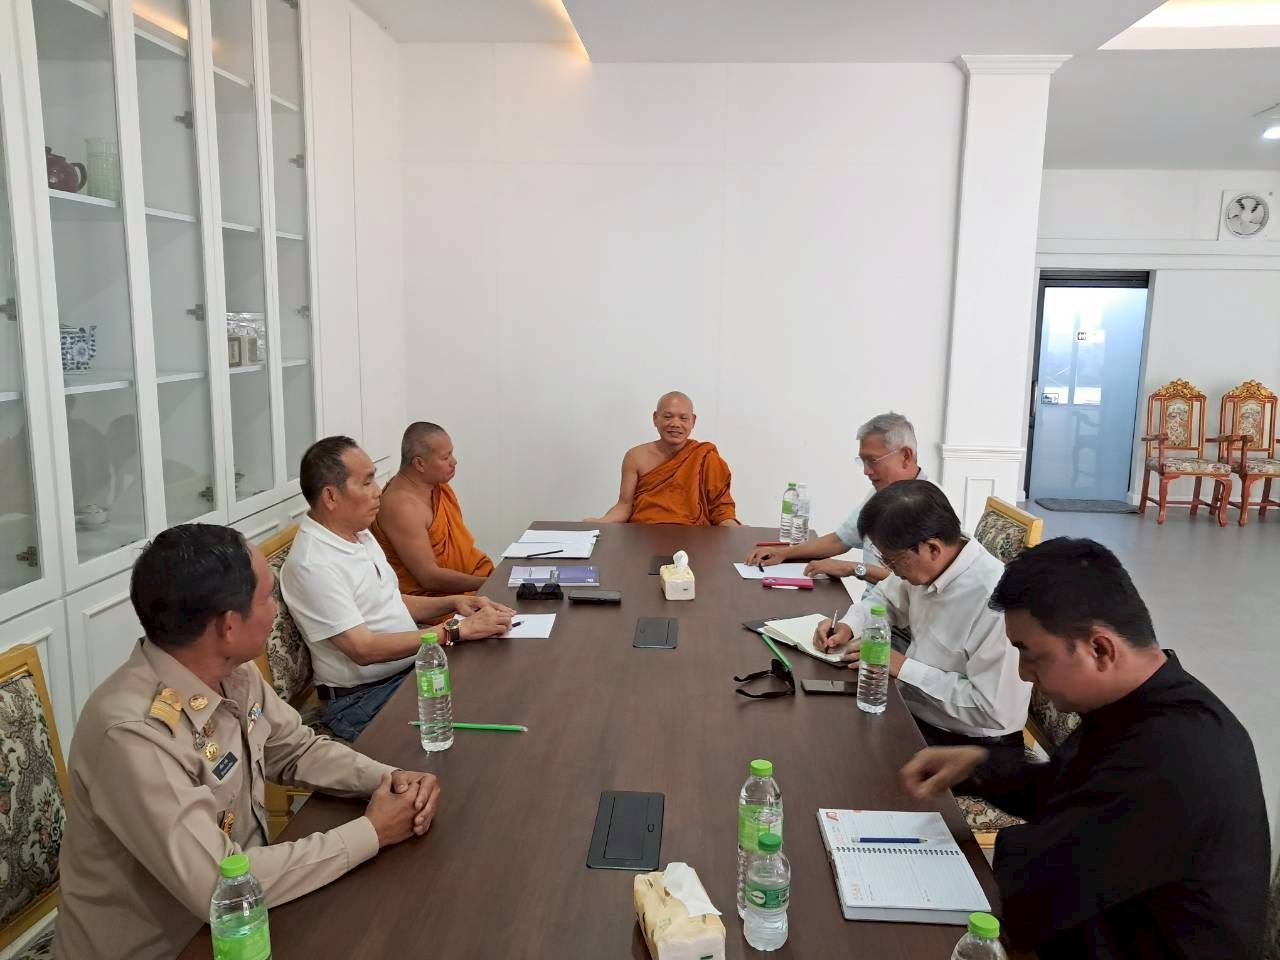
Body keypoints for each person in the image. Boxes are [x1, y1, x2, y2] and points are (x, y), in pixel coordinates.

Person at [54, 524, 441, 960]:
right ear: (228, 626)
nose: (276, 610)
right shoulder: (134, 734)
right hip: (173, 945)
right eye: (268, 597)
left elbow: (296, 749)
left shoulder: (231, 674)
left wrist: (391, 780)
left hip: (249, 921)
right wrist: (371, 832)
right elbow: (220, 886)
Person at [900, 538, 1270, 959]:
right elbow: (1072, 787)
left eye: (1030, 655)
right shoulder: (1140, 703)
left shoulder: (1175, 757)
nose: (1023, 674)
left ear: (1100, 649)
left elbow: (1033, 891)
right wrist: (979, 765)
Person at [282, 437, 513, 741]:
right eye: (366, 482)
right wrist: (454, 631)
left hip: (406, 671)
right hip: (363, 699)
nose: (378, 491)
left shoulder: (357, 533)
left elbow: (390, 600)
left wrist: (455, 602)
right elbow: (363, 649)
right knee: (484, 711)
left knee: (498, 676)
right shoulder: (314, 564)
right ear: (331, 496)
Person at [814, 480, 1031, 782]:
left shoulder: (995, 601)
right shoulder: (931, 564)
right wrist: (849, 625)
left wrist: (903, 668)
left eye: (891, 560)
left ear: (932, 548)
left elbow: (992, 709)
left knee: (851, 772)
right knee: (827, 733)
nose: (889, 568)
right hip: (919, 715)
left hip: (976, 749)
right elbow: (885, 598)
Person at [746, 412, 926, 583]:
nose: (866, 471)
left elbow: (914, 584)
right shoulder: (881, 492)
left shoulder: (931, 506)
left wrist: (853, 568)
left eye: (872, 460)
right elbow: (840, 540)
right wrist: (784, 553)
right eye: (863, 461)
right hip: (873, 602)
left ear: (905, 456)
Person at [371, 422, 494, 596]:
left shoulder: (436, 487)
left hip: (470, 579)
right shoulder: (402, 507)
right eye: (445, 458)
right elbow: (429, 578)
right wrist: (490, 584)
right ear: (420, 464)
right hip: (435, 600)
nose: (454, 462)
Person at [588, 391, 738, 526]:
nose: (675, 424)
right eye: (668, 416)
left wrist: (735, 530)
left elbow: (721, 511)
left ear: (693, 421)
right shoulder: (635, 457)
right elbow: (624, 505)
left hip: (692, 538)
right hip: (644, 535)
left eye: (683, 418)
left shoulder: (706, 457)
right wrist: (601, 522)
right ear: (655, 418)